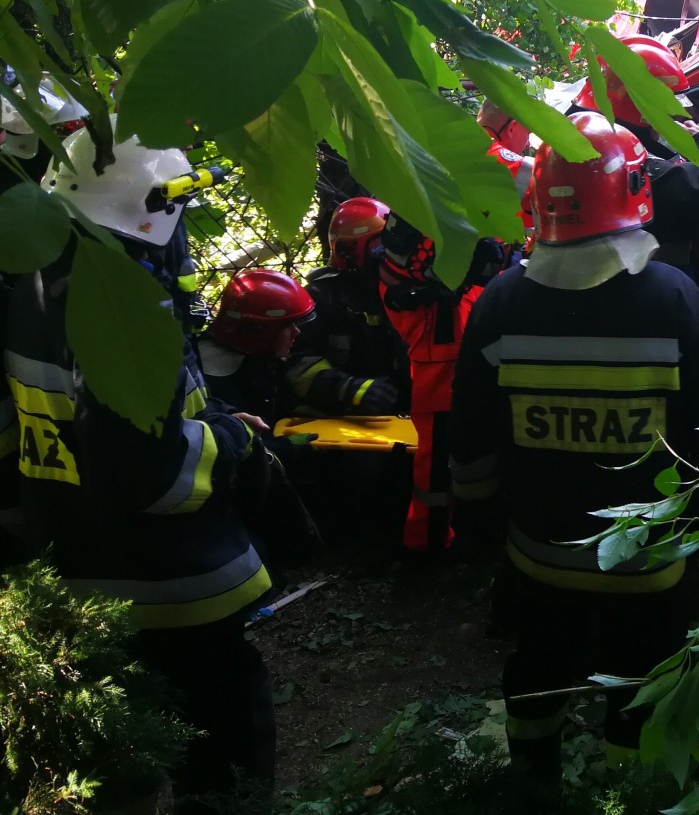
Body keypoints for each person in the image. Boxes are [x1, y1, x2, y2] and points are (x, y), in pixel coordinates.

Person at [450, 111, 699, 797]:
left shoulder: (498, 306)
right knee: (643, 679)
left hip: (539, 555)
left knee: (538, 667)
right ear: (634, 190)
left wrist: (480, 530)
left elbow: (471, 441)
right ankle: (627, 794)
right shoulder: (679, 301)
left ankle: (530, 778)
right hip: (649, 563)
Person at [5, 126, 275, 812]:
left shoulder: (27, 292)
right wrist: (231, 441)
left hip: (75, 582)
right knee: (221, 760)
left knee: (114, 772)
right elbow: (155, 474)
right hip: (175, 589)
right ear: (145, 214)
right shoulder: (126, 312)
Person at [380, 217, 509, 554]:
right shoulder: (404, 276)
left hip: (471, 364)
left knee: (481, 458)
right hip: (438, 374)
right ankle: (428, 544)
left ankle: (477, 534)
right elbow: (415, 280)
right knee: (436, 473)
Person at [575, 34, 699, 273]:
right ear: (642, 105)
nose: (673, 115)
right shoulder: (619, 159)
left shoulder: (585, 136)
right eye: (667, 104)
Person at [286, 197, 409, 421]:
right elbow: (296, 364)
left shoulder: (403, 290)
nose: (389, 252)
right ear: (349, 251)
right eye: (379, 245)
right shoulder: (321, 297)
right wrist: (351, 390)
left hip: (401, 417)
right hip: (340, 421)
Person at [199, 270, 316, 425]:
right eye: (289, 326)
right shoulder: (213, 379)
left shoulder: (262, 359)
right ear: (258, 329)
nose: (297, 332)